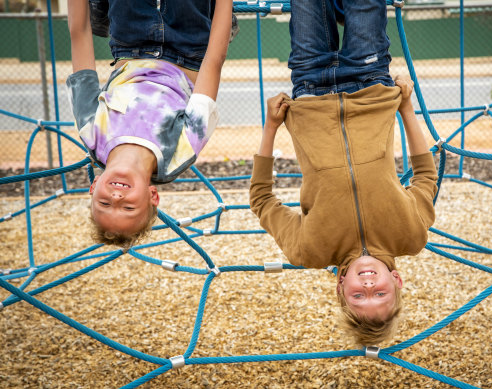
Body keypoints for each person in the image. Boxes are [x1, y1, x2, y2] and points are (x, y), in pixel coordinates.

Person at [249, 0, 438, 346]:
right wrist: (406, 108)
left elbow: (261, 200)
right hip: (370, 86)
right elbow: (425, 176)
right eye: (380, 295)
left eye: (359, 297)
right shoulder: (411, 236)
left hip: (310, 87)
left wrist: (270, 128)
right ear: (396, 280)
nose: (368, 287)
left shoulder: (310, 251)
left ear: (341, 288)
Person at [66, 0, 233, 248]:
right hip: (189, 45)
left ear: (93, 187)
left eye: (105, 203)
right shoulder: (179, 153)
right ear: (152, 196)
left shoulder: (92, 132)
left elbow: (79, 34)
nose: (116, 196)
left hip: (131, 37)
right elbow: (213, 61)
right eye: (128, 206)